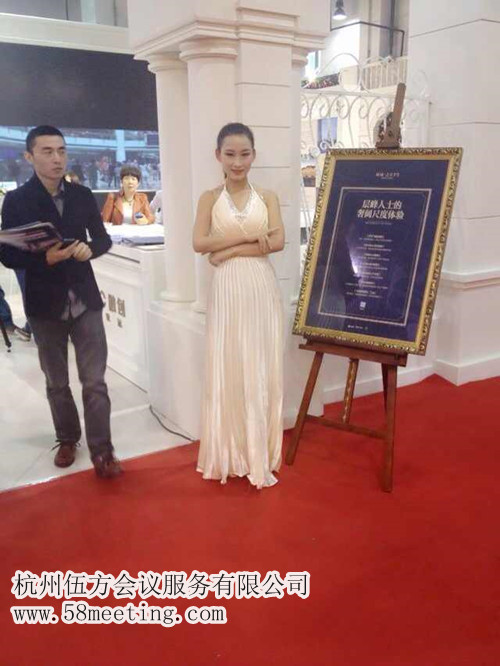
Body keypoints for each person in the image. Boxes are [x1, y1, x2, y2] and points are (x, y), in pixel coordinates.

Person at [0, 125, 121, 478]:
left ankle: (103, 451)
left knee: (95, 381)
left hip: (85, 299)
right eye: (48, 151)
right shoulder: (17, 200)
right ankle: (67, 437)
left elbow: (103, 239)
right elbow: (7, 254)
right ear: (30, 156)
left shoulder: (82, 195)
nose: (57, 158)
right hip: (44, 302)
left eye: (62, 151)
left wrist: (89, 249)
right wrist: (44, 259)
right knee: (56, 381)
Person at [193, 122, 285, 489]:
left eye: (244, 154)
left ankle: (260, 451)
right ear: (218, 155)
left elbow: (277, 242)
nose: (237, 162)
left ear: (254, 155)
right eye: (230, 154)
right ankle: (231, 451)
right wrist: (251, 239)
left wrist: (228, 250)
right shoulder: (209, 198)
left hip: (261, 288)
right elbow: (199, 243)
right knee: (229, 362)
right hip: (228, 290)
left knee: (260, 363)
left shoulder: (268, 197)